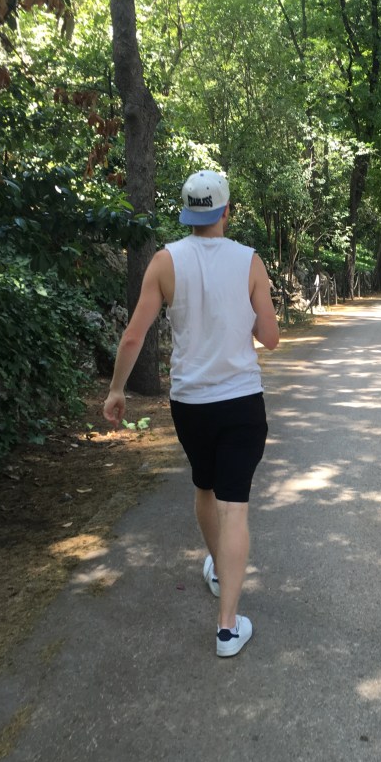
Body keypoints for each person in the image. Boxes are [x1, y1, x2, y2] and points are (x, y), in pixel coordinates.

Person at [103, 170, 280, 657]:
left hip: (191, 404)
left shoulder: (165, 261)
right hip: (241, 401)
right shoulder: (249, 261)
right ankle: (227, 628)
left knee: (205, 487)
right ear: (227, 212)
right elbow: (270, 337)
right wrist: (248, 312)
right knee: (235, 505)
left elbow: (134, 335)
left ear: (187, 213)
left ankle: (219, 568)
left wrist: (117, 389)